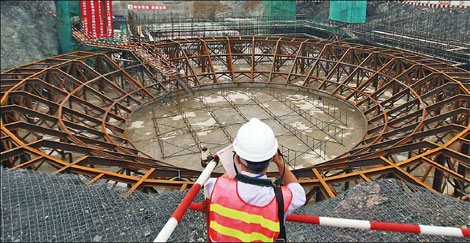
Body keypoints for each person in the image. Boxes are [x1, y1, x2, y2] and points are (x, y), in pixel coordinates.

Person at [204, 118, 306, 242]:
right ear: (271, 157)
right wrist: (280, 162)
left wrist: (236, 160)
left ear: (238, 158)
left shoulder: (215, 185)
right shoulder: (280, 198)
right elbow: (297, 191)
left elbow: (227, 178)